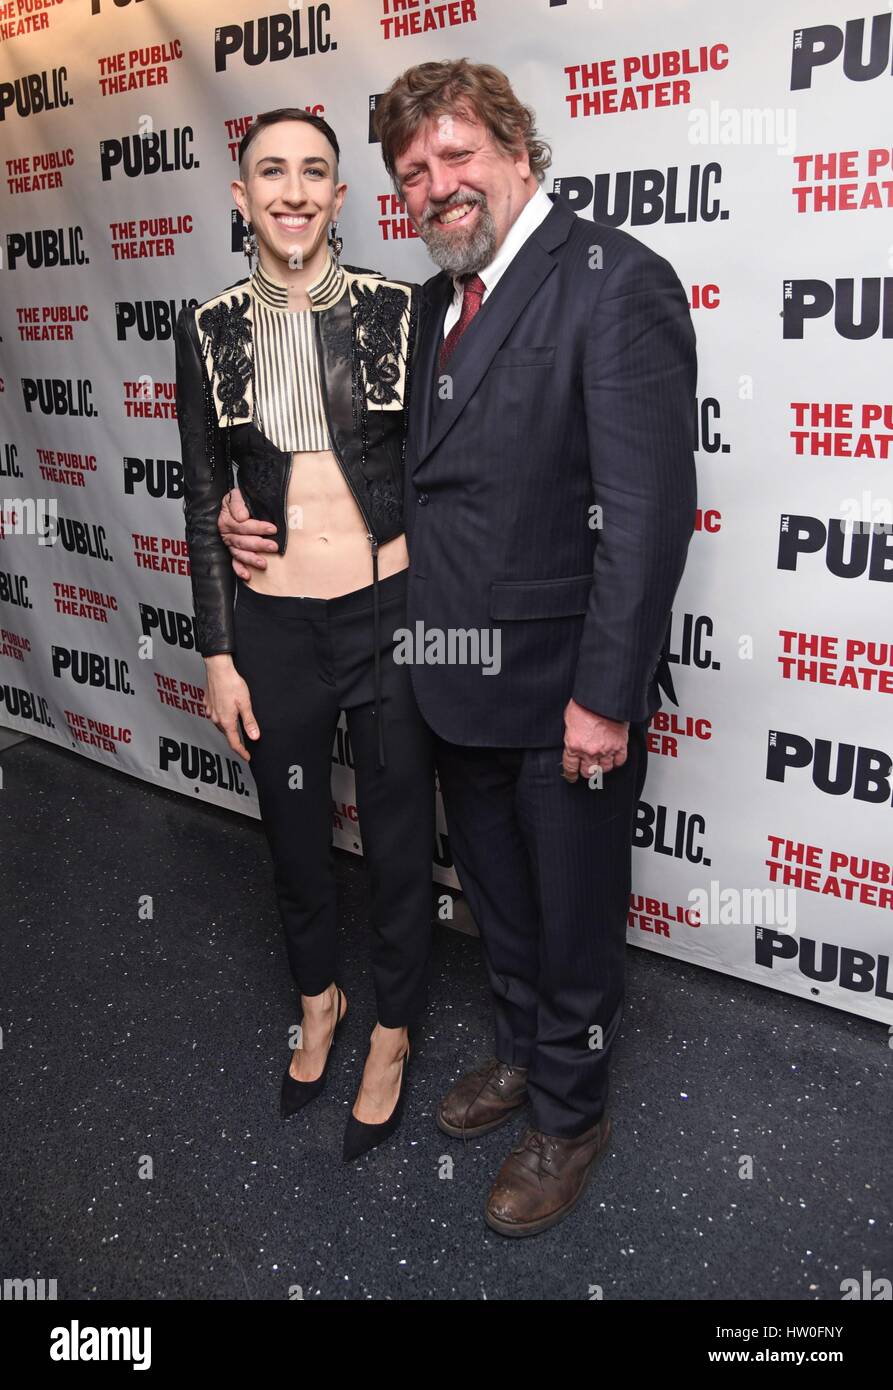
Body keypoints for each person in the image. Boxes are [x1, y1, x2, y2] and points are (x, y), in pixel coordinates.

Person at [219, 61, 698, 1236]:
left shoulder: (613, 281)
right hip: (449, 678)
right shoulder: (434, 301)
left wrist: (603, 697)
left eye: (456, 155)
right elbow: (391, 473)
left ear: (516, 152)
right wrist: (248, 509)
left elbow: (643, 516)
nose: (437, 185)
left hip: (559, 694)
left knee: (573, 918)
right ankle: (527, 1057)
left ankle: (570, 1110)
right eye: (412, 172)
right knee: (500, 907)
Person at [173, 108, 435, 1163]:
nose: (291, 190)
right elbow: (202, 498)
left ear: (339, 196)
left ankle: (391, 1028)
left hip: (390, 617)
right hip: (273, 627)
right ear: (240, 196)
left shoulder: (400, 310)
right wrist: (218, 650)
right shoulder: (206, 327)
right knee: (292, 836)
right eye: (269, 172)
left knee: (400, 836)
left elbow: (440, 464)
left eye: (312, 172)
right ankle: (318, 1000)